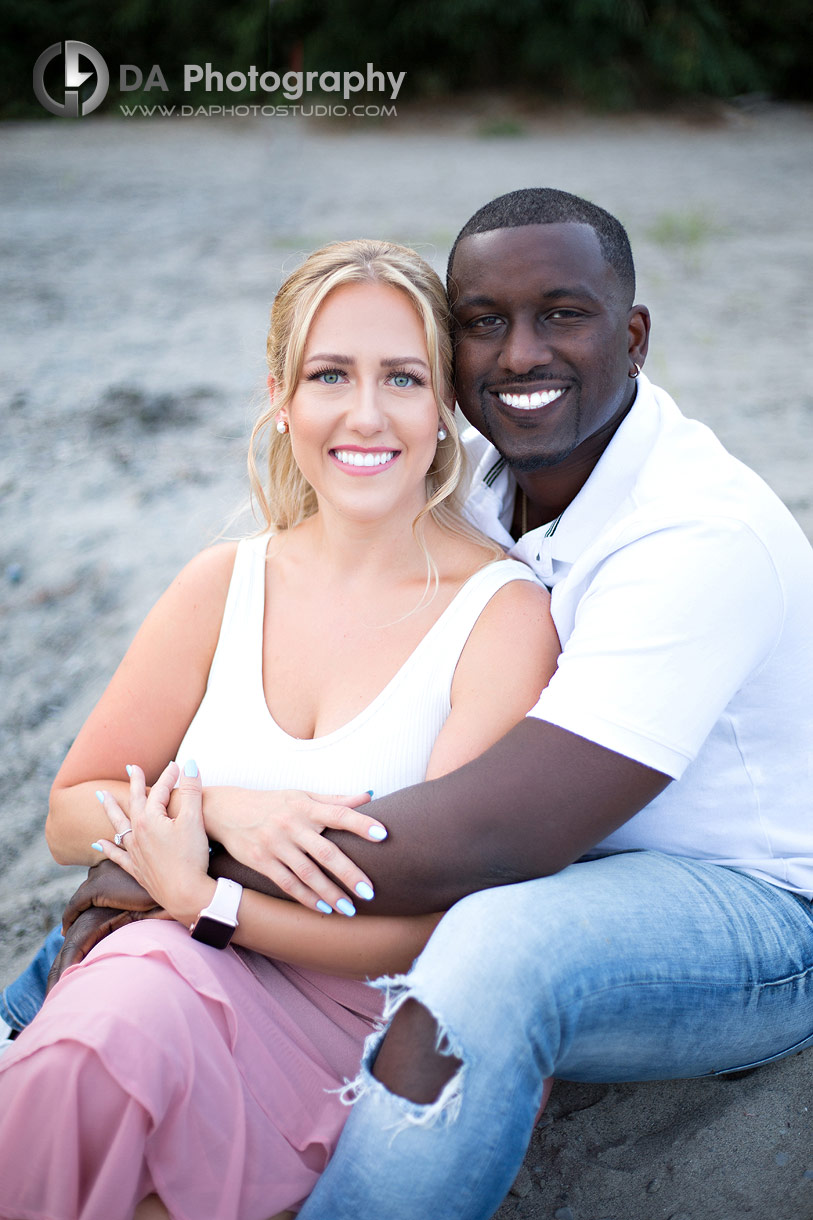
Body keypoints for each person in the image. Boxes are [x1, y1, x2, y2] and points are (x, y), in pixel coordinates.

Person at [15, 188, 813, 1217]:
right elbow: (90, 799)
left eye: (562, 313)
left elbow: (493, 839)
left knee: (497, 949)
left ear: (635, 334)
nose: (521, 355)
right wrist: (208, 816)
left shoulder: (697, 536)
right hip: (527, 863)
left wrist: (199, 869)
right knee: (117, 1008)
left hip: (741, 905)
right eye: (483, 322)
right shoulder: (476, 469)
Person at [0, 237, 559, 1220]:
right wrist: (224, 808)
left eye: (403, 377)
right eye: (330, 374)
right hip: (163, 962)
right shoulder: (223, 582)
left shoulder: (500, 617)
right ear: (281, 396)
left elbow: (455, 929)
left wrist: (206, 895)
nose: (366, 413)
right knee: (101, 1048)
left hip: (359, 1014)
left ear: (444, 409)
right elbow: (68, 813)